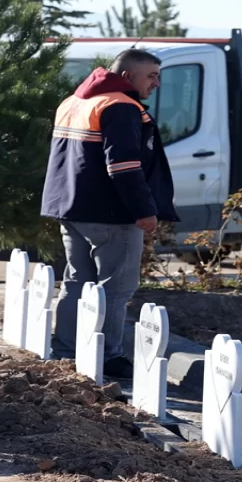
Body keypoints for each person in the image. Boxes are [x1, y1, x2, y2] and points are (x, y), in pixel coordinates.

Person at [40, 48, 179, 378]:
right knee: (115, 289)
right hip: (113, 214)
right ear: (128, 76)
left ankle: (65, 351)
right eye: (152, 76)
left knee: (76, 282)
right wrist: (144, 211)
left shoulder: (75, 101)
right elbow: (124, 166)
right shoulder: (120, 106)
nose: (157, 83)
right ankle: (108, 356)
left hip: (72, 208)